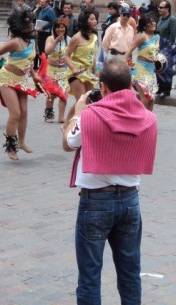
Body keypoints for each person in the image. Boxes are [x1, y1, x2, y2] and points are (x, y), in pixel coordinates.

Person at [61, 57, 157, 305]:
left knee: (90, 276)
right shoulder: (146, 117)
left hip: (95, 201)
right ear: (130, 85)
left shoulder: (91, 115)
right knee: (130, 274)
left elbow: (67, 143)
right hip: (130, 201)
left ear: (102, 87)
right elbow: (145, 117)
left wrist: (77, 112)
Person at [0, 10, 40, 160]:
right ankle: (11, 147)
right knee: (15, 113)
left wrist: (35, 76)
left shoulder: (33, 41)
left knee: (24, 111)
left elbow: (29, 62)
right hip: (7, 78)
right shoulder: (15, 42)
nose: (31, 24)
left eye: (32, 22)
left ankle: (21, 142)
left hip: (22, 80)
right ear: (21, 26)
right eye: (28, 22)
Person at [124, 14, 159, 111]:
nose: (153, 23)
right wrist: (124, 61)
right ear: (144, 26)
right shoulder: (143, 37)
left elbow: (156, 53)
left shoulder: (157, 37)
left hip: (151, 70)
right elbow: (130, 48)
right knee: (145, 98)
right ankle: (140, 121)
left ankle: (149, 121)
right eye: (150, 22)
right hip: (140, 70)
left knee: (152, 98)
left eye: (154, 21)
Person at [64, 11, 99, 100]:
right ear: (85, 21)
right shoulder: (76, 37)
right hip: (76, 73)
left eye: (95, 19)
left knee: (87, 101)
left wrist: (95, 71)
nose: (95, 21)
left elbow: (93, 56)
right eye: (92, 19)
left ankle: (71, 115)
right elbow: (66, 56)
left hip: (89, 72)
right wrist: (73, 68)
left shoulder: (94, 37)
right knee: (82, 101)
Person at [43, 21, 71, 123]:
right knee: (51, 94)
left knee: (64, 94)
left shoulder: (69, 40)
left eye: (62, 27)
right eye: (58, 28)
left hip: (64, 71)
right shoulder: (50, 39)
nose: (60, 30)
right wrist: (56, 41)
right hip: (52, 71)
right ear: (54, 29)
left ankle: (61, 116)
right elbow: (47, 51)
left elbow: (71, 54)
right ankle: (49, 115)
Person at [156, 0, 176, 98]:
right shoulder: (160, 18)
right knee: (158, 68)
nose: (159, 9)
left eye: (161, 7)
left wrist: (168, 49)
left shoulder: (172, 19)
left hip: (167, 49)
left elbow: (173, 35)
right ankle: (160, 87)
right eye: (159, 7)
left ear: (167, 9)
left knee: (166, 69)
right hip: (158, 47)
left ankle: (167, 89)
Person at [34, 0, 56, 69]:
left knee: (44, 51)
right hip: (40, 32)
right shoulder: (42, 10)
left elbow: (53, 21)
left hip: (45, 33)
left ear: (47, 3)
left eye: (42, 2)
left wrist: (43, 28)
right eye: (40, 2)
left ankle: (43, 66)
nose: (41, 3)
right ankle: (41, 65)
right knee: (40, 50)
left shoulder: (50, 10)